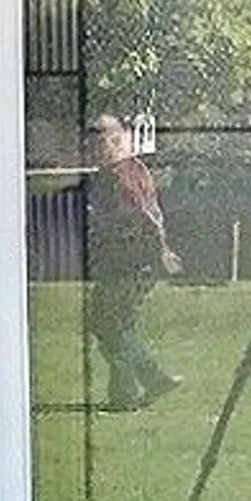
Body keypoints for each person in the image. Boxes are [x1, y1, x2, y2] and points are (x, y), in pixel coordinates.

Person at [82, 116, 181, 412]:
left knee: (109, 323)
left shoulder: (119, 176)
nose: (92, 151)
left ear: (115, 141)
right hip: (129, 261)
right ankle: (151, 381)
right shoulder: (133, 169)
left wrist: (161, 250)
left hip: (131, 262)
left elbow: (146, 215)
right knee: (114, 324)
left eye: (97, 143)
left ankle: (129, 393)